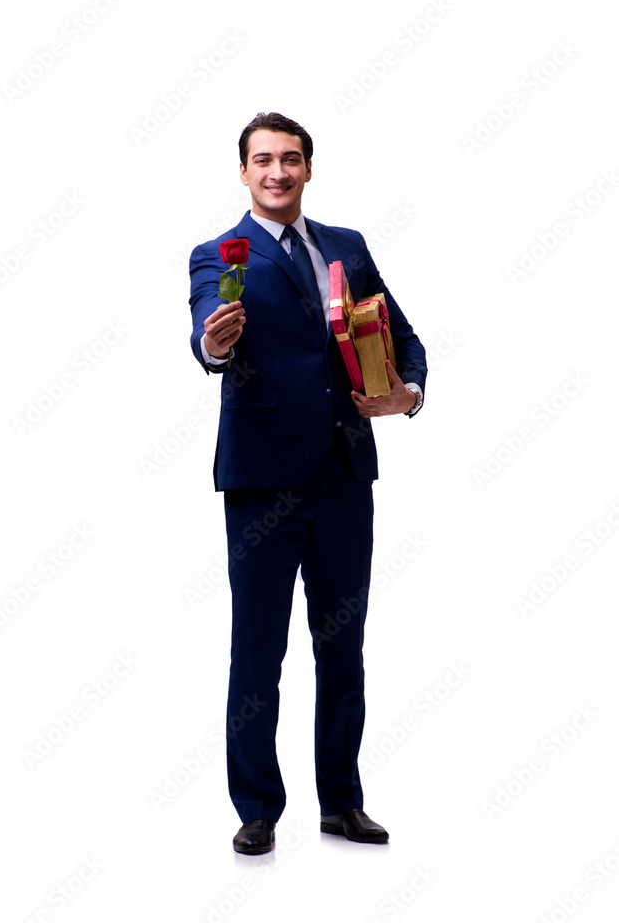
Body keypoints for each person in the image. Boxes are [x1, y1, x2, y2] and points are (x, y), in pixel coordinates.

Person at [188, 112, 427, 854]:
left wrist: (408, 394)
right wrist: (213, 343)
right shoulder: (218, 254)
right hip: (264, 480)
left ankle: (342, 802)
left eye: (290, 159)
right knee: (258, 650)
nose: (277, 172)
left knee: (343, 646)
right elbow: (205, 328)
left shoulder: (346, 247)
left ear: (308, 168)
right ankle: (257, 807)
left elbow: (403, 338)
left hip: (345, 475)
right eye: (263, 160)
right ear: (243, 171)